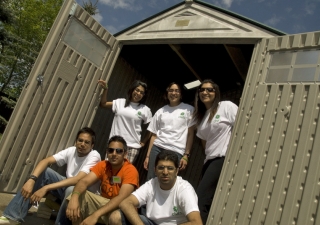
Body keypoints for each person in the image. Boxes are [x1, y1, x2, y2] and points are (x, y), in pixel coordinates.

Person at [0, 127, 101, 225]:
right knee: (45, 172)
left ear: (92, 145)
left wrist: (46, 187)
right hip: (67, 190)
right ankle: (13, 216)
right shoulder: (72, 150)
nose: (82, 144)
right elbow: (46, 161)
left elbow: (78, 180)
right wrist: (31, 180)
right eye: (80, 140)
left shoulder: (94, 156)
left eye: (87, 142)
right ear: (76, 141)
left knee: (71, 189)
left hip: (84, 196)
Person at [109, 150, 202, 225]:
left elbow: (196, 222)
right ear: (155, 170)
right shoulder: (151, 184)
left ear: (177, 171)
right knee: (116, 217)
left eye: (170, 168)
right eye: (161, 168)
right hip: (151, 223)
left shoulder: (184, 189)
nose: (165, 172)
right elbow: (125, 203)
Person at [66, 135, 139, 225]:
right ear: (107, 152)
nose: (114, 154)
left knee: (116, 216)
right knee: (74, 193)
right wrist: (74, 198)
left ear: (125, 154)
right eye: (111, 150)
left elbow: (122, 198)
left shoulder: (130, 170)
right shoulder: (103, 165)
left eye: (119, 151)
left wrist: (95, 215)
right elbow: (83, 181)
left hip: (121, 209)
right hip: (105, 204)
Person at [193, 79, 238, 223]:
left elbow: (241, 125)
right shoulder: (202, 117)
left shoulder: (226, 106)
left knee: (200, 200)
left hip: (221, 158)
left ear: (216, 92)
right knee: (209, 201)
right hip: (208, 161)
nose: (205, 92)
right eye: (202, 90)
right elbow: (204, 143)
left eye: (209, 89)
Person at [144, 82, 196, 180]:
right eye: (171, 90)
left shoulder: (189, 110)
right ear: (167, 93)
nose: (173, 93)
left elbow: (190, 133)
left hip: (176, 150)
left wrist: (186, 155)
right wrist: (148, 156)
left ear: (181, 94)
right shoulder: (161, 111)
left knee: (167, 180)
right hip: (157, 148)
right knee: (151, 178)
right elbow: (154, 135)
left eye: (177, 91)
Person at [98, 79, 152, 163]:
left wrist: (144, 142)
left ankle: (116, 178)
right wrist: (106, 89)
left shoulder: (145, 110)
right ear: (132, 89)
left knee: (122, 174)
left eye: (142, 92)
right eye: (137, 90)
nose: (138, 93)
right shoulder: (120, 102)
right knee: (109, 171)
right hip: (115, 144)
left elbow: (152, 128)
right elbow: (103, 104)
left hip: (131, 147)